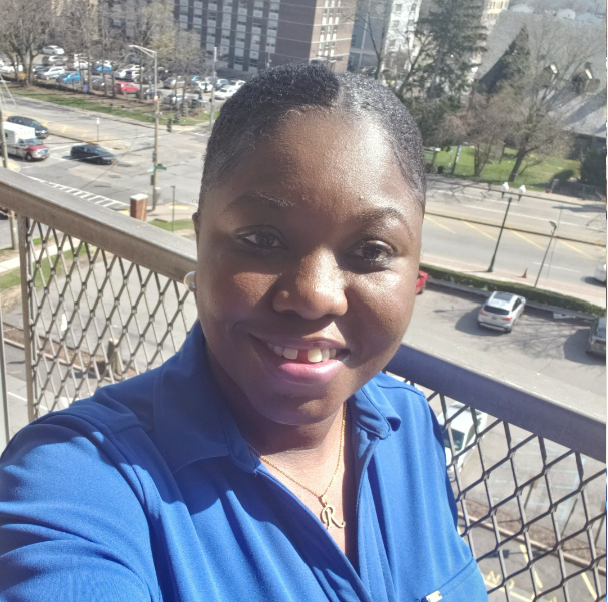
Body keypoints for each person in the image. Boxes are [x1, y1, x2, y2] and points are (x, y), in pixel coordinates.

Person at [0, 65, 488, 601]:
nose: (315, 295)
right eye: (262, 239)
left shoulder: (409, 426)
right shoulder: (78, 475)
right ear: (200, 242)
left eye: (371, 250)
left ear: (416, 274)